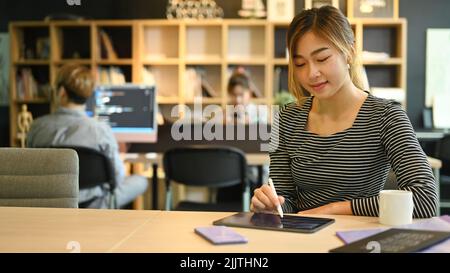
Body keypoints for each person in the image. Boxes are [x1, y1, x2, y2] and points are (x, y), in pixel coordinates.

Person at [251, 6, 437, 218]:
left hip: (361, 242)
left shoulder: (386, 116)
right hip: (303, 242)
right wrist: (271, 207)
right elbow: (286, 200)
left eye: (322, 59)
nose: (311, 73)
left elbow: (424, 199)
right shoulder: (286, 118)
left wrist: (333, 210)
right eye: (300, 64)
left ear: (349, 52)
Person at [27, 63, 148, 209]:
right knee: (141, 181)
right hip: (93, 205)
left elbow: (31, 171)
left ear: (61, 92)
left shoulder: (37, 127)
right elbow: (117, 179)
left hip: (50, 203)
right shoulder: (101, 130)